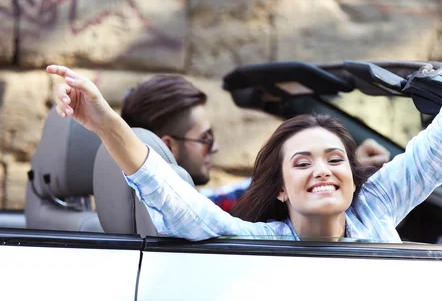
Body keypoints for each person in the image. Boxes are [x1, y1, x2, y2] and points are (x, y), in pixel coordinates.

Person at [47, 0, 442, 241]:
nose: (323, 170)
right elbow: (178, 206)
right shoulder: (256, 240)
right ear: (282, 191)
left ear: (354, 178)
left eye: (334, 159)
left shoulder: (379, 206)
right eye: (302, 163)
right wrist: (107, 123)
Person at [118, 70, 390, 213]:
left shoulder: (136, 214)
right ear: (169, 145)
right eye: (205, 138)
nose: (215, 147)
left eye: (332, 160)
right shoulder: (182, 215)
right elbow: (229, 201)